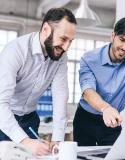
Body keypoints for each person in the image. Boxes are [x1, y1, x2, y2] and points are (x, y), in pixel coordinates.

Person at [0, 8, 76, 155]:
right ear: (46, 29)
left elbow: (61, 96)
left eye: (70, 41)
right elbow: (0, 103)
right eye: (63, 39)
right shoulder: (15, 51)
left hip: (29, 118)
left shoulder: (60, 55)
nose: (66, 47)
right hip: (4, 118)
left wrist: (57, 138)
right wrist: (24, 141)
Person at [73, 17, 125, 146]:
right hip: (85, 118)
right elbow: (87, 91)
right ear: (113, 35)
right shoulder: (90, 58)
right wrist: (106, 108)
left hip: (113, 121)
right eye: (122, 40)